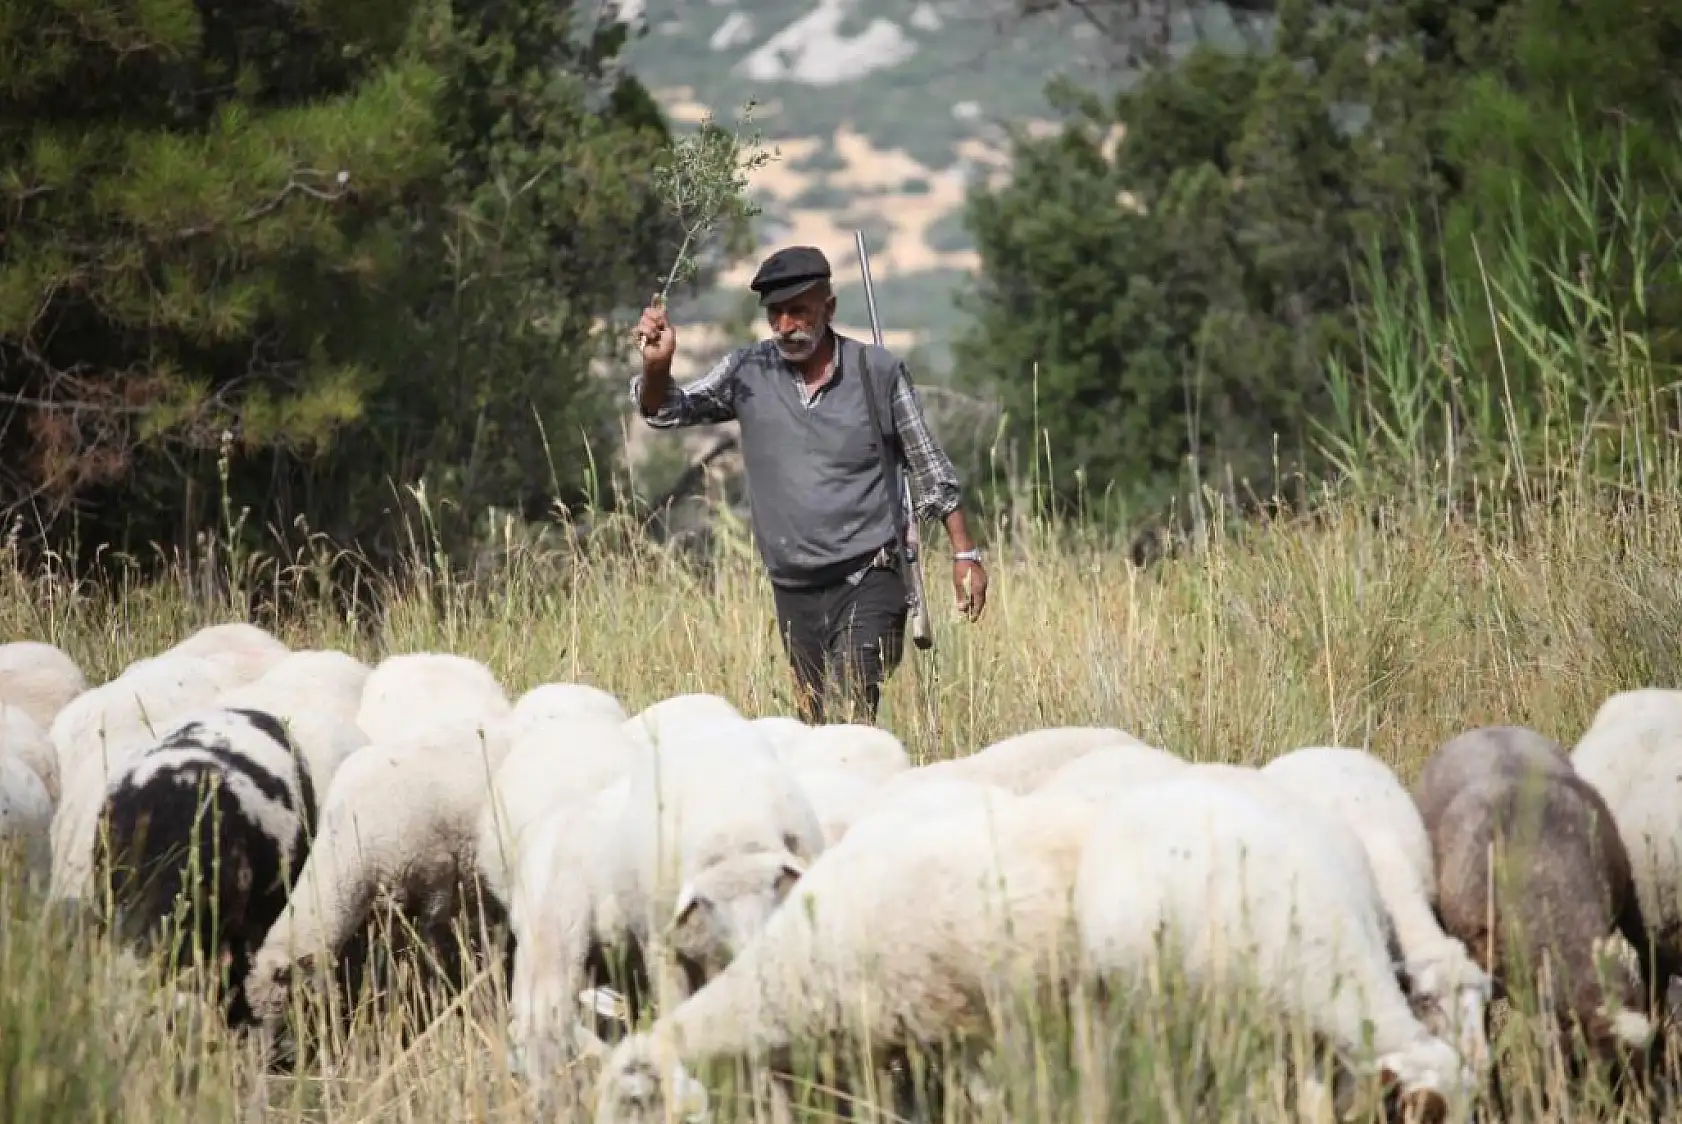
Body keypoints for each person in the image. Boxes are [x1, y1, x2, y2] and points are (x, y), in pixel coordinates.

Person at [631, 244, 988, 725]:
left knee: (850, 710)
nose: (785, 326)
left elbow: (930, 467)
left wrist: (964, 555)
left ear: (829, 307)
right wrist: (657, 366)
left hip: (870, 575)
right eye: (775, 314)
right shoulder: (747, 372)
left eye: (798, 311)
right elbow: (667, 409)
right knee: (813, 726)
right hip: (793, 586)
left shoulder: (877, 373)